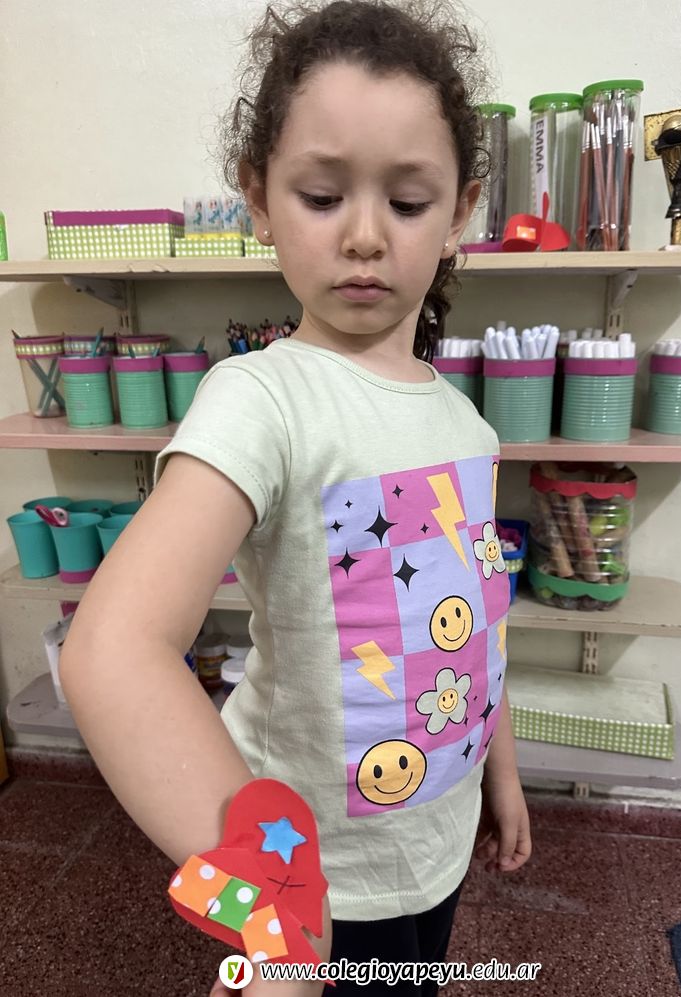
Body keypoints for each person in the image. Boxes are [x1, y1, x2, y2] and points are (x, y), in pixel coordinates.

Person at [59, 1, 532, 993]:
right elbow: (112, 650)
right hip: (322, 884)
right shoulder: (261, 400)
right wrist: (273, 904)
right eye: (321, 195)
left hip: (433, 851)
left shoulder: (468, 426)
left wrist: (500, 770)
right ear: (259, 200)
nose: (364, 235)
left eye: (408, 202)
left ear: (460, 211)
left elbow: (476, 624)